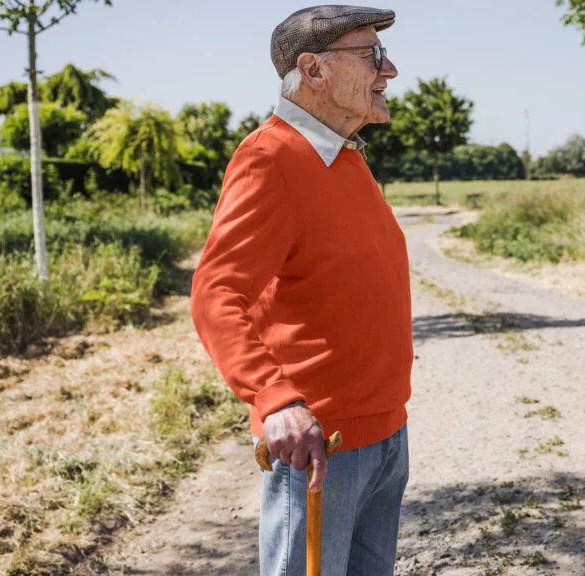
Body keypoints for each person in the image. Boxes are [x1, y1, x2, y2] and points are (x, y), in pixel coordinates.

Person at [188, 5, 410, 575]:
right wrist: (274, 397)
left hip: (385, 434)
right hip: (321, 445)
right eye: (372, 57)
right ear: (314, 71)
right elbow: (217, 292)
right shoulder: (271, 157)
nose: (390, 70)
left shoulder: (345, 156)